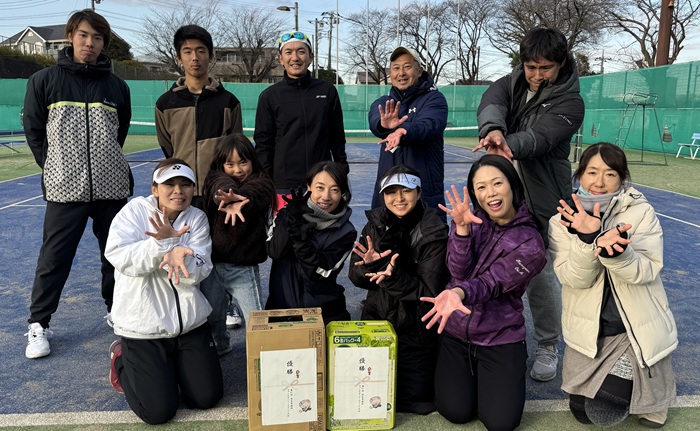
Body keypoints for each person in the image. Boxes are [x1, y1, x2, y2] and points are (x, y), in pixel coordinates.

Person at [474, 27, 585, 381]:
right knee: (484, 264)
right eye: (531, 67)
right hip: (500, 193)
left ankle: (549, 344)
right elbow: (491, 102)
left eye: (545, 68)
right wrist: (493, 129)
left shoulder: (571, 103)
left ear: (561, 63)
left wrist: (506, 145)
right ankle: (485, 335)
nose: (537, 75)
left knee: (540, 276)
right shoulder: (512, 83)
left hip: (544, 200)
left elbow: (541, 137)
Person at [22, 9, 132, 359]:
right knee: (54, 259)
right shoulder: (43, 81)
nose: (90, 43)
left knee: (115, 257)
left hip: (111, 188)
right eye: (84, 35)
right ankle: (39, 324)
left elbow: (119, 133)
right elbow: (35, 133)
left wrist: (103, 164)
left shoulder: (117, 86)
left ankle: (117, 311)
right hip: (64, 189)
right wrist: (56, 167)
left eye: (97, 38)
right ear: (70, 36)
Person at [549, 143, 677, 428]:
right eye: (592, 172)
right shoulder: (561, 221)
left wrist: (618, 253)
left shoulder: (641, 212)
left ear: (621, 178)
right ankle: (623, 381)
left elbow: (646, 270)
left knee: (604, 413)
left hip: (632, 328)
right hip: (591, 332)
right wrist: (588, 240)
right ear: (579, 174)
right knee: (583, 414)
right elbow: (574, 278)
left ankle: (652, 396)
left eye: (610, 174)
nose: (599, 182)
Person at [420, 154, 546, 431]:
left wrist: (458, 293)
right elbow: (458, 270)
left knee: (501, 423)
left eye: (497, 183)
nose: (491, 193)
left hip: (499, 338)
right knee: (454, 411)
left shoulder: (531, 243)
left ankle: (499, 374)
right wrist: (461, 230)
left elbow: (492, 283)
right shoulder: (473, 219)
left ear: (512, 185)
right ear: (475, 193)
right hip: (456, 334)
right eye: (481, 187)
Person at [105, 159, 222, 425]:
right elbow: (121, 257)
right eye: (170, 184)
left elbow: (201, 269)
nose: (178, 191)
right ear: (155, 189)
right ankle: (121, 359)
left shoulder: (196, 218)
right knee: (158, 412)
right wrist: (163, 245)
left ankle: (172, 368)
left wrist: (182, 255)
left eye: (185, 184)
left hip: (189, 324)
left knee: (206, 398)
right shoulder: (133, 212)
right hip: (144, 328)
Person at [348, 165, 448, 415]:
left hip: (416, 329)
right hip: (377, 319)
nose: (399, 198)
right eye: (391, 192)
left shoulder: (433, 229)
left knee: (417, 402)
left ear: (419, 193)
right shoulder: (375, 223)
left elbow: (428, 291)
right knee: (369, 396)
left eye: (406, 191)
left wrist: (390, 276)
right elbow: (355, 276)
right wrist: (371, 267)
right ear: (383, 196)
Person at [254, 31, 348, 210]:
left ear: (311, 57)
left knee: (323, 228)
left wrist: (341, 170)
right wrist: (265, 181)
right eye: (288, 52)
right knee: (285, 228)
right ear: (281, 59)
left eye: (301, 51)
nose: (295, 58)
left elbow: (337, 137)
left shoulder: (327, 91)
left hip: (321, 183)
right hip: (283, 184)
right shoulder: (269, 96)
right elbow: (263, 144)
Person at [200, 134, 275, 355]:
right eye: (230, 164)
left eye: (243, 162)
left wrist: (240, 198)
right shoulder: (215, 179)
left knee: (255, 315)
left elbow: (259, 191)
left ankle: (261, 353)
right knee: (213, 314)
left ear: (252, 161)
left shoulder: (261, 181)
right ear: (221, 165)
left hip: (243, 268)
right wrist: (226, 196)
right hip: (213, 266)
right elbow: (219, 185)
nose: (237, 169)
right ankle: (220, 345)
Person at [155, 24, 243, 208]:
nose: (194, 57)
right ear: (179, 58)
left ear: (211, 56)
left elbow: (235, 148)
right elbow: (168, 149)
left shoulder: (229, 102)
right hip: (182, 194)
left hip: (219, 193)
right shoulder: (165, 104)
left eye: (201, 50)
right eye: (187, 51)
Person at [266, 161, 356, 323]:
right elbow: (274, 251)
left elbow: (319, 273)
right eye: (320, 187)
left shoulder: (346, 231)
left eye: (334, 190)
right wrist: (290, 220)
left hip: (322, 314)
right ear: (308, 187)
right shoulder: (287, 214)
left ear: (342, 192)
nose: (326, 196)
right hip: (280, 308)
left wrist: (302, 242)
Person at [368, 46, 448, 214]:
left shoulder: (434, 99)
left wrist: (403, 130)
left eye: (407, 66)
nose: (401, 73)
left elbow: (429, 124)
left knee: (427, 231)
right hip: (389, 190)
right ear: (390, 73)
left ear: (419, 71)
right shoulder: (383, 102)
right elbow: (375, 119)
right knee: (382, 230)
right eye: (396, 68)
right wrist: (383, 126)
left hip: (425, 190)